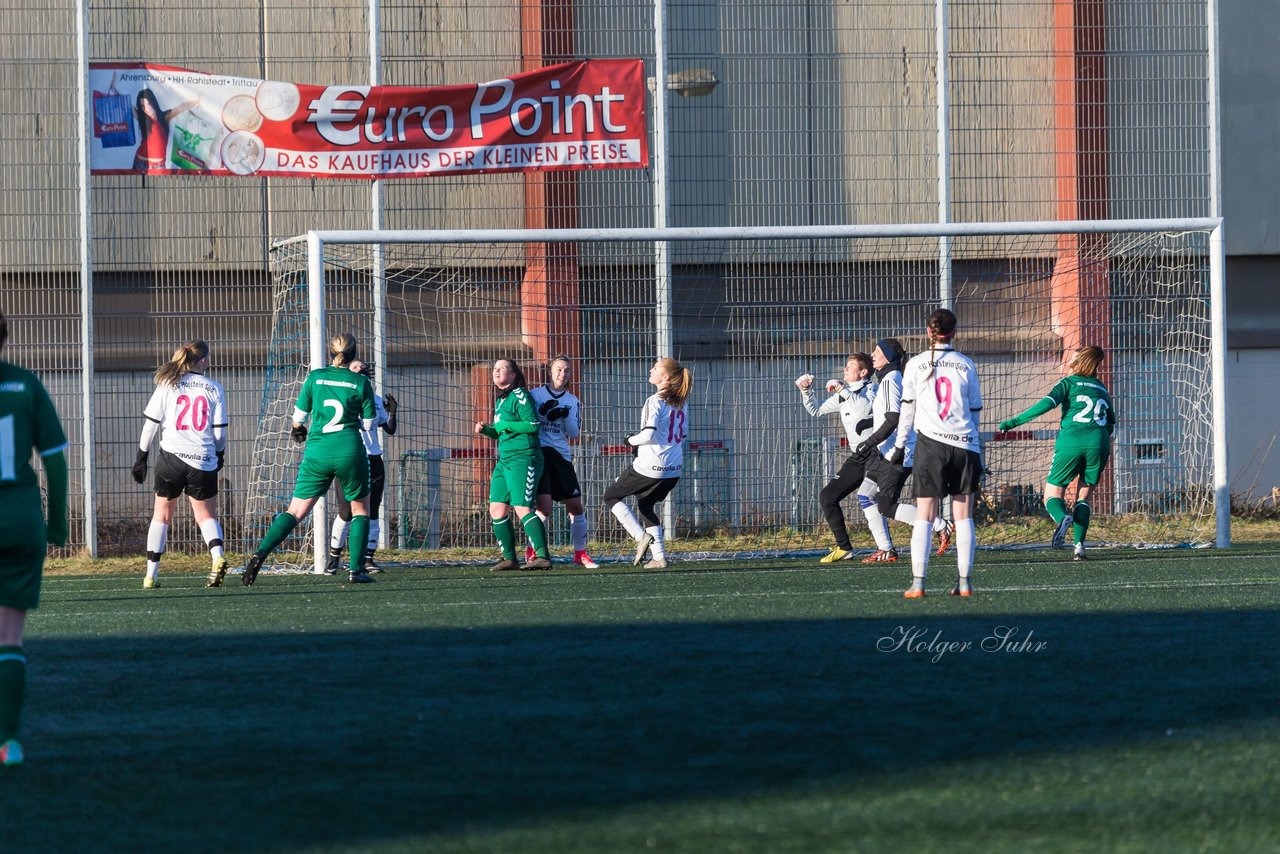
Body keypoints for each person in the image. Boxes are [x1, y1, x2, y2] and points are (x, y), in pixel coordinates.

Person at [242, 333, 377, 586]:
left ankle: (259, 554)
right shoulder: (360, 381)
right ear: (354, 352)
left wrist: (298, 430)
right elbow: (369, 425)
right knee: (360, 510)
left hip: (317, 452)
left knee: (295, 511)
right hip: (349, 450)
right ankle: (356, 570)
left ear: (330, 352)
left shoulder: (315, 377)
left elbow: (299, 416)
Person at [0, 309, 69, 767]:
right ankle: (7, 742)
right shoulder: (25, 384)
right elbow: (56, 461)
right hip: (19, 522)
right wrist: (57, 525)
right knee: (9, 637)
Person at [893, 308, 984, 598]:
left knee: (925, 515)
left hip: (930, 446)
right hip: (964, 445)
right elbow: (975, 411)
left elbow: (907, 408)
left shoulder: (916, 364)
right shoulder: (966, 364)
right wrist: (976, 447)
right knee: (963, 516)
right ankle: (965, 582)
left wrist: (899, 445)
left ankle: (919, 584)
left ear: (928, 332)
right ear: (954, 332)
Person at [998, 345, 1115, 561]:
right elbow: (1111, 422)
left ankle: (1062, 519)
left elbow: (1045, 405)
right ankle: (1079, 547)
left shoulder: (1068, 383)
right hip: (1099, 444)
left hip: (1071, 442)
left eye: (1071, 359)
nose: (1068, 363)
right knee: (1083, 497)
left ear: (1078, 363)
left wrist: (1013, 422)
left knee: (1052, 495)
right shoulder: (1100, 387)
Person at [131, 339, 230, 588]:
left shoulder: (168, 383)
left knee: (161, 516)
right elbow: (220, 433)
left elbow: (150, 425)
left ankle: (150, 576)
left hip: (171, 458)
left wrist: (141, 458)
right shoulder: (214, 388)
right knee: (205, 515)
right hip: (202, 459)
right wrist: (219, 455)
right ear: (204, 360)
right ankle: (217, 558)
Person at [850, 339, 954, 563]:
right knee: (865, 495)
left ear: (888, 357)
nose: (873, 354)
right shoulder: (889, 379)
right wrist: (868, 425)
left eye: (878, 351)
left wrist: (868, 443)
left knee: (886, 506)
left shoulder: (891, 380)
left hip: (897, 453)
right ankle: (886, 549)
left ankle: (939, 524)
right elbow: (887, 414)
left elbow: (893, 419)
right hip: (885, 451)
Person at [604, 357, 693, 569]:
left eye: (655, 368)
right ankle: (659, 557)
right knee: (645, 504)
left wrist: (629, 440)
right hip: (674, 468)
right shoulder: (681, 403)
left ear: (666, 377)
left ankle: (639, 536)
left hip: (651, 466)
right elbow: (682, 435)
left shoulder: (655, 401)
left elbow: (648, 435)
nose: (650, 370)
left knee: (611, 496)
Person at [474, 358, 553, 572]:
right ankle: (509, 558)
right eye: (495, 369)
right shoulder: (501, 400)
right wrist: (487, 430)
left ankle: (543, 556)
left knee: (522, 507)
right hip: (504, 459)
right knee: (496, 508)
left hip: (523, 457)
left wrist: (504, 425)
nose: (497, 372)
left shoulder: (520, 395)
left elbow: (532, 425)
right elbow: (501, 432)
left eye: (502, 368)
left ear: (513, 374)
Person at [796, 354, 876, 563]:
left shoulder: (873, 390)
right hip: (859, 456)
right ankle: (844, 548)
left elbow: (863, 408)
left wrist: (843, 390)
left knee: (884, 502)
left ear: (863, 372)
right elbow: (816, 409)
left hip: (878, 455)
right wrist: (806, 391)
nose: (845, 369)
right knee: (827, 497)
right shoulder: (844, 394)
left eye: (850, 366)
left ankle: (937, 526)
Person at [324, 360, 397, 574]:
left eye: (362, 367)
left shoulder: (374, 400)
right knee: (346, 512)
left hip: (373, 461)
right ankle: (333, 559)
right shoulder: (341, 397)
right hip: (350, 459)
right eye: (354, 366)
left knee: (372, 511)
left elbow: (389, 429)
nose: (360, 368)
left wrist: (392, 413)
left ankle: (368, 559)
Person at [528, 355, 599, 569]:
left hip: (561, 456)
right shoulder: (535, 394)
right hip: (541, 455)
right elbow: (529, 422)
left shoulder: (573, 400)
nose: (562, 374)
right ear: (551, 371)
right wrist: (544, 413)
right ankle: (533, 551)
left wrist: (563, 415)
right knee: (544, 508)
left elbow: (575, 433)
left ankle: (580, 554)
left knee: (576, 507)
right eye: (559, 369)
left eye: (567, 370)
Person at [132, 88, 197, 171]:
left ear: (153, 103)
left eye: (148, 104)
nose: (146, 108)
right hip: (140, 162)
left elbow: (181, 107)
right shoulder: (143, 120)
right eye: (142, 106)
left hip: (158, 166)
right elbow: (129, 106)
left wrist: (198, 100)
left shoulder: (165, 117)